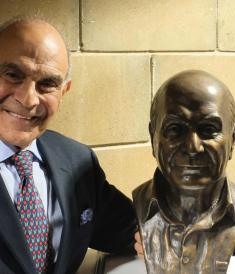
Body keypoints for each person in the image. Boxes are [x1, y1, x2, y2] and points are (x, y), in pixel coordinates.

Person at [0, 18, 136, 273]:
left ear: (64, 92)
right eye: (12, 75)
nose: (29, 99)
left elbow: (134, 232)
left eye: (47, 84)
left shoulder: (77, 161)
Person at [132, 70, 235, 274]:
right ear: (153, 137)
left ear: (233, 138)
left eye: (207, 129)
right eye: (175, 129)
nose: (192, 147)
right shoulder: (132, 212)